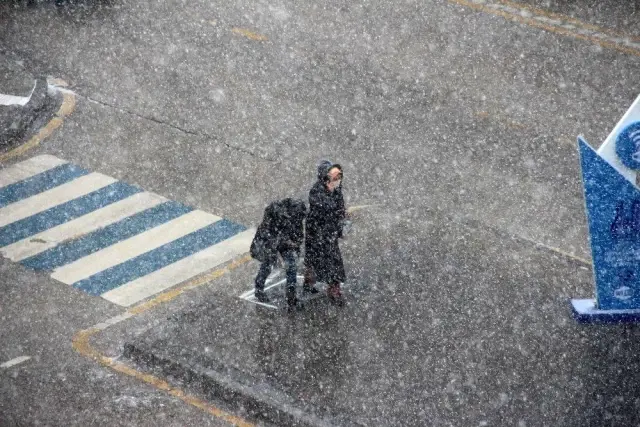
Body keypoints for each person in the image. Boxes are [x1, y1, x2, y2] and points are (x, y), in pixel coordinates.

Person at [303, 160, 347, 304]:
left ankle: (334, 290)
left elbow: (339, 209)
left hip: (329, 234)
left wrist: (341, 220)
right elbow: (324, 209)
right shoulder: (316, 191)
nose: (337, 180)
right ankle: (309, 283)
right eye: (333, 176)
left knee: (334, 262)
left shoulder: (336, 191)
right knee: (313, 259)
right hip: (316, 233)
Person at [250, 198, 306, 310]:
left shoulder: (295, 216)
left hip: (282, 241)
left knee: (289, 265)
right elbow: (270, 233)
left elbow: (298, 236)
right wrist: (287, 242)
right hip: (272, 241)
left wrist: (294, 244)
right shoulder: (278, 215)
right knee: (271, 264)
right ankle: (260, 289)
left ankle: (290, 295)